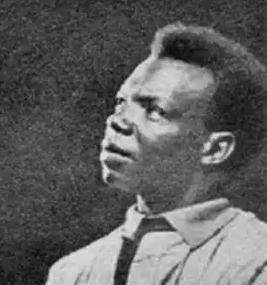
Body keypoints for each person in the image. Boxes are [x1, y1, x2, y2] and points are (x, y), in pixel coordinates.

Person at [46, 23, 267, 284]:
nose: (117, 121)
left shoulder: (256, 262)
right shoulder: (73, 272)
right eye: (121, 103)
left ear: (215, 149)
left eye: (155, 111)